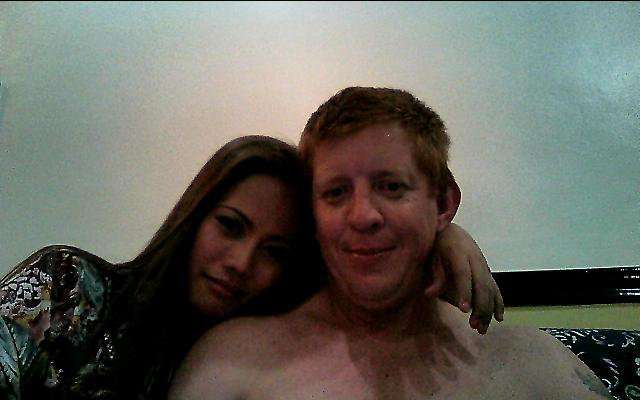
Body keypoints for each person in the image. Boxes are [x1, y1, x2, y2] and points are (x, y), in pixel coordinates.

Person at [169, 88, 613, 399]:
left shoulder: (531, 366)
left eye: (391, 187)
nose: (363, 216)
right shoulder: (235, 360)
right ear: (311, 214)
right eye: (336, 193)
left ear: (443, 204)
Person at [0, 135, 502, 400]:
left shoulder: (259, 357)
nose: (241, 264)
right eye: (231, 226)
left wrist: (438, 235)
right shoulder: (70, 289)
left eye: (275, 252)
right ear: (194, 216)